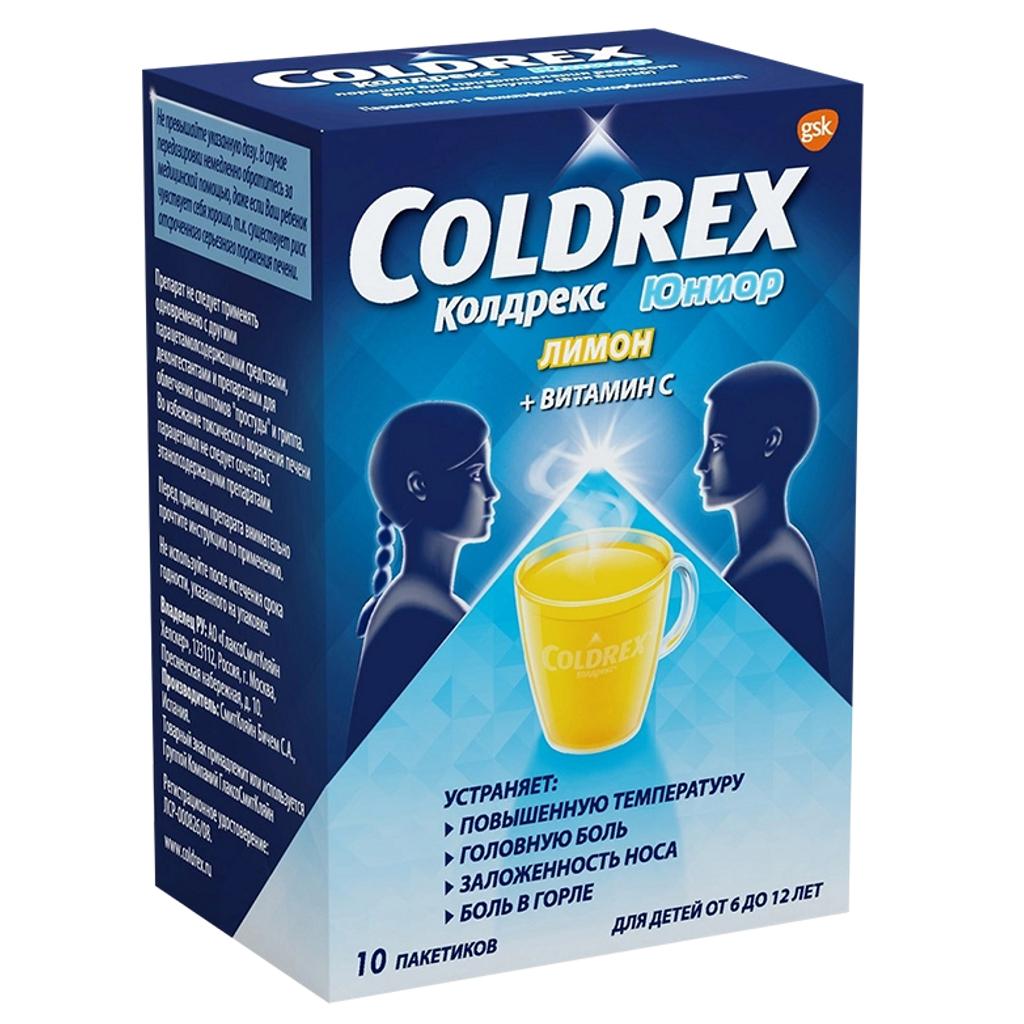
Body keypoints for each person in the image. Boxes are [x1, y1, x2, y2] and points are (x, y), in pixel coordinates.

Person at [349, 402, 499, 751]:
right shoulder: (420, 613)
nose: (492, 492)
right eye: (476, 475)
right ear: (419, 486)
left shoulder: (414, 601)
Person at [695, 362, 830, 680]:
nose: (701, 465)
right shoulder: (782, 551)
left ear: (770, 443)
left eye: (717, 445)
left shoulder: (770, 569)